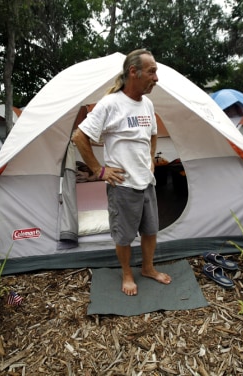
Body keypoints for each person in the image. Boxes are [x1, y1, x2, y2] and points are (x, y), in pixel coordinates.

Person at [71, 49, 172, 296]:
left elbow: (153, 134)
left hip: (146, 182)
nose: (156, 78)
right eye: (152, 71)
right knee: (124, 236)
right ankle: (127, 273)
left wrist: (150, 158)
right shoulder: (110, 104)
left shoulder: (147, 104)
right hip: (123, 185)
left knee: (150, 230)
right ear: (133, 72)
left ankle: (147, 268)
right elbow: (79, 136)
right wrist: (99, 170)